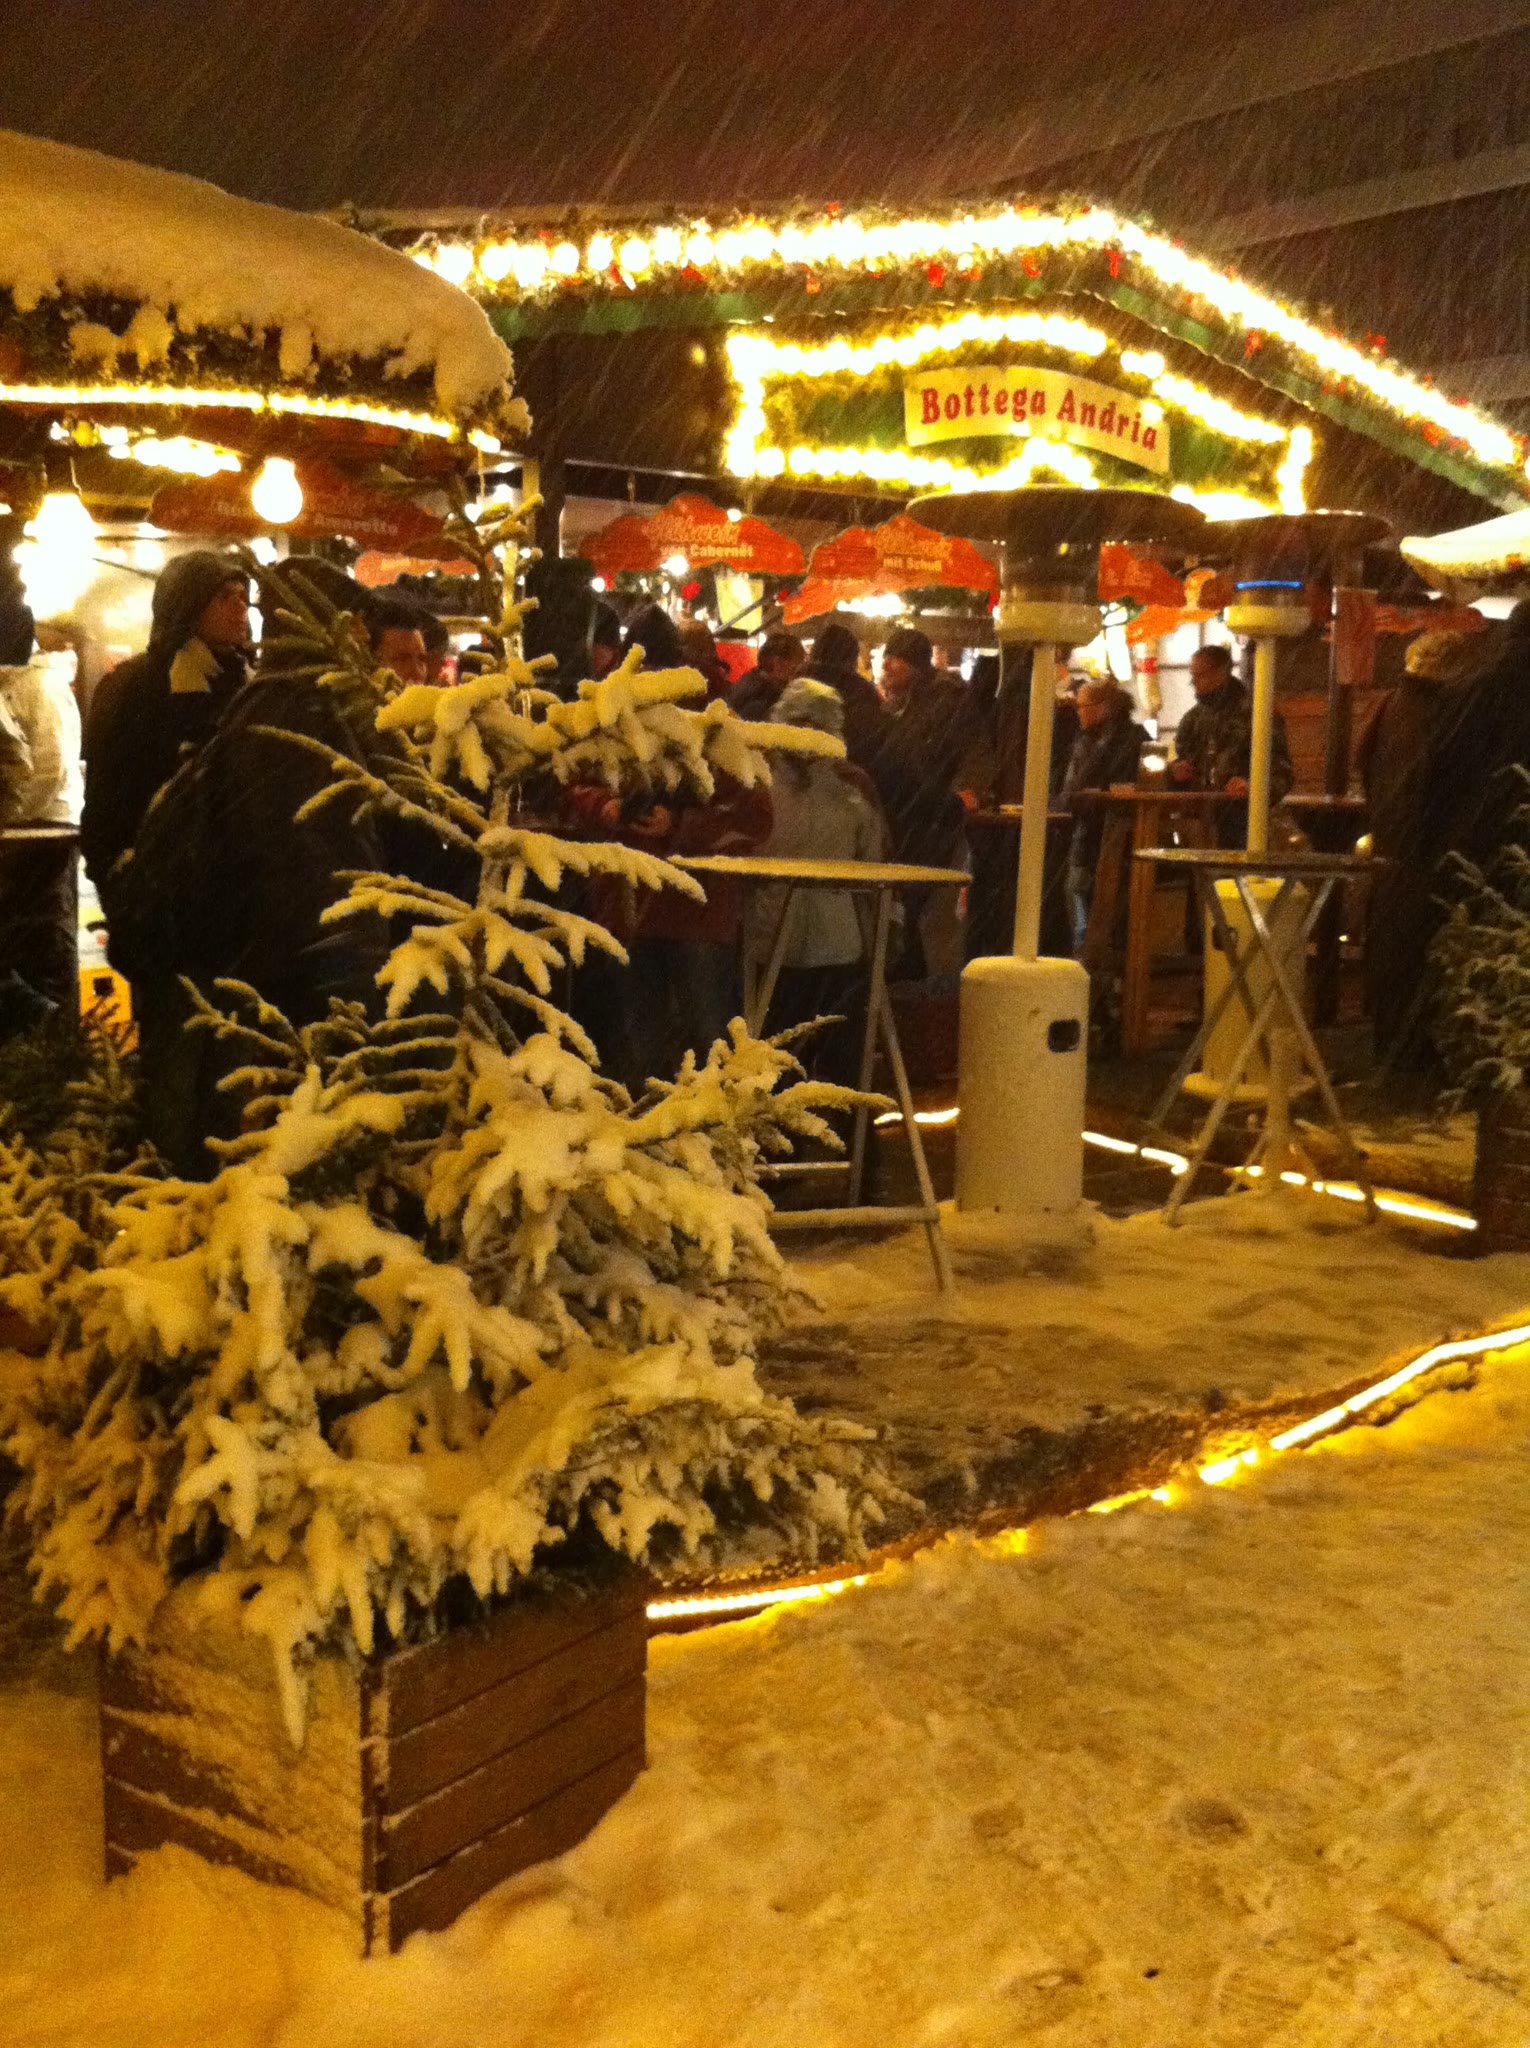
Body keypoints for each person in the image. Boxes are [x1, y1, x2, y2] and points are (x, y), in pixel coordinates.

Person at [1357, 626, 1497, 1066]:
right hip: (1429, 853)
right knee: (1427, 953)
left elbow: (1365, 764)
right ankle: (1419, 1053)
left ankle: (1389, 1044)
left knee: (1391, 952)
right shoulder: (1450, 713)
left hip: (1391, 847)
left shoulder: (1387, 706)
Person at [81, 551, 250, 912]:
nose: (241, 607)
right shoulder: (135, 685)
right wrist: (118, 873)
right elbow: (108, 792)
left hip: (232, 890)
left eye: (243, 596)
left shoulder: (244, 683)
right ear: (188, 605)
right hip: (155, 888)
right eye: (224, 597)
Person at [747, 678, 885, 1082]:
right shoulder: (757, 780)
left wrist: (886, 927)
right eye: (799, 722)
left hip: (839, 946)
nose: (807, 733)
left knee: (841, 1065)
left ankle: (846, 1123)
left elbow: (876, 859)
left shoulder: (853, 785)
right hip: (772, 942)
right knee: (776, 1063)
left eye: (816, 724)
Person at [1169, 642, 1292, 845]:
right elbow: (1182, 762)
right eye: (1193, 675)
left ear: (1222, 672)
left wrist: (1252, 787)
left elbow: (1282, 771)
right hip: (1198, 823)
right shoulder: (1193, 719)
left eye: (1201, 675)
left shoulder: (1257, 713)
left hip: (1245, 821)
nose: (1194, 682)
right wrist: (1176, 771)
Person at [1060, 680, 1147, 951]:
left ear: (1104, 707)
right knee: (1082, 889)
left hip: (1119, 834)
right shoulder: (1085, 740)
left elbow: (1135, 783)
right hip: (1089, 830)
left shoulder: (1132, 739)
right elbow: (1072, 790)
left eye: (1082, 706)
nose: (1078, 712)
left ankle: (1101, 953)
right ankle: (1095, 949)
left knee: (1108, 896)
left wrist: (1088, 795)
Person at [803, 621, 887, 773]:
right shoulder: (861, 690)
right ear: (852, 656)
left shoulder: (797, 682)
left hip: (797, 771)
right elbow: (870, 741)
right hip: (845, 773)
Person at [729, 631, 805, 721]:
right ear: (777, 662)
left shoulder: (751, 680)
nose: (796, 669)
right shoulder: (762, 697)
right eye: (795, 663)